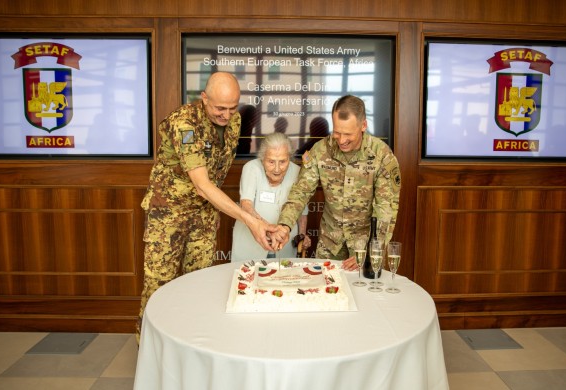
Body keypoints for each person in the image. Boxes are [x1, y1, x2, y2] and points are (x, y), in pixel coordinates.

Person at [137, 72, 277, 341]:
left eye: (232, 107)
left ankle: (190, 344)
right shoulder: (184, 124)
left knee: (198, 282)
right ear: (203, 99)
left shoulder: (235, 121)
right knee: (158, 284)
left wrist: (255, 217)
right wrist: (249, 220)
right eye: (219, 108)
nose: (227, 115)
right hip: (169, 213)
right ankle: (148, 350)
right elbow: (202, 184)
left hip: (204, 213)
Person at [271, 95, 401, 271]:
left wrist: (372, 250)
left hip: (365, 246)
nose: (341, 140)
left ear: (363, 126)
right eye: (337, 132)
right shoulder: (320, 151)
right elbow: (300, 193)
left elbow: (386, 209)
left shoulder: (382, 156)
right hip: (329, 243)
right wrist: (285, 225)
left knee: (365, 294)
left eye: (348, 134)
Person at [231, 132, 311, 262]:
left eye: (283, 161)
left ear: (290, 158)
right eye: (271, 162)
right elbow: (246, 205)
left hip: (283, 242)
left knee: (281, 278)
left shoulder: (298, 172)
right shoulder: (251, 168)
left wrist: (301, 235)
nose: (277, 169)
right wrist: (270, 230)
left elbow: (302, 210)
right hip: (250, 243)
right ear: (262, 158)